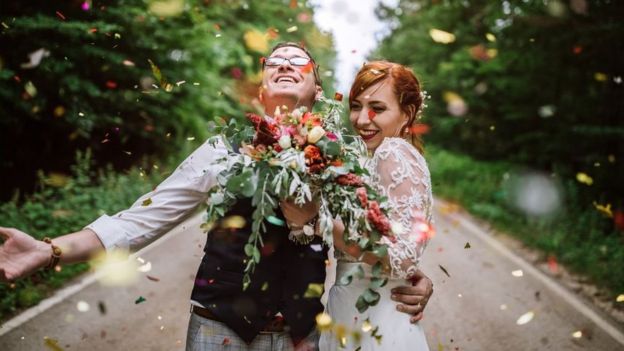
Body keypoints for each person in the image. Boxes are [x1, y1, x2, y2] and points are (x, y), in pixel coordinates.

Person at [0, 43, 433, 351]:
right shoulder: (222, 149)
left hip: (300, 336)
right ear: (262, 89)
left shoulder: (344, 155)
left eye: (297, 60)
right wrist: (49, 250)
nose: (283, 62)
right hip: (218, 331)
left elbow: (382, 234)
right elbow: (140, 219)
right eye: (274, 61)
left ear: (317, 90)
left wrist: (414, 278)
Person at [318, 61, 434, 351]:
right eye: (356, 106)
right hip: (357, 312)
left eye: (378, 109)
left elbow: (403, 258)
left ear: (407, 113)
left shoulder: (392, 151)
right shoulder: (383, 156)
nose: (361, 119)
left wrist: (320, 220)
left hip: (375, 322)